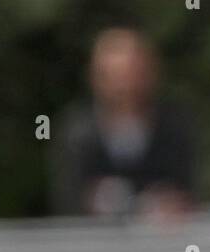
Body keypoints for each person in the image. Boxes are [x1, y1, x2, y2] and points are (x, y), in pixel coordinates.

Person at [53, 28, 196, 220]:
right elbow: (67, 200)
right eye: (116, 75)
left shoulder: (175, 127)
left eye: (132, 74)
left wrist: (170, 203)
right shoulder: (77, 132)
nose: (125, 85)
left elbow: (191, 192)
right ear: (97, 77)